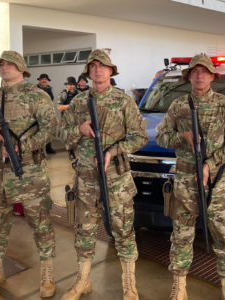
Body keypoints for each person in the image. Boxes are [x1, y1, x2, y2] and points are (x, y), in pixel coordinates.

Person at [0, 51, 58, 298]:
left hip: (30, 172)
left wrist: (24, 145)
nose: (5, 67)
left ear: (21, 68)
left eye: (10, 64)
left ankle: (47, 274)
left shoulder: (36, 95)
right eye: (2, 64)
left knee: (41, 225)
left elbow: (52, 129)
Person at [59, 49, 147, 300]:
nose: (98, 69)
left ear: (110, 71)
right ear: (89, 71)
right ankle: (83, 280)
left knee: (124, 232)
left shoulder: (123, 101)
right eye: (93, 66)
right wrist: (79, 128)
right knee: (84, 232)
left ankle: (129, 283)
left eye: (103, 66)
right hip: (85, 180)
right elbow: (62, 137)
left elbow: (140, 137)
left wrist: (114, 150)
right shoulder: (77, 102)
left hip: (116, 181)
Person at [156, 54, 225, 300]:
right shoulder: (179, 105)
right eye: (195, 71)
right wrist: (183, 136)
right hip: (185, 181)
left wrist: (210, 163)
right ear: (189, 76)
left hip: (217, 181)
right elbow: (161, 136)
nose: (200, 75)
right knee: (181, 236)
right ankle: (179, 285)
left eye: (205, 71)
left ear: (213, 75)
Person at [58, 76, 81, 161]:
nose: (72, 86)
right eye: (70, 84)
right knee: (68, 136)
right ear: (67, 85)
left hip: (78, 117)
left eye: (73, 84)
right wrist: (71, 106)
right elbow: (59, 107)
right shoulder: (63, 93)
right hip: (67, 118)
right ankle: (70, 153)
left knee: (79, 134)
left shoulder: (78, 92)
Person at [37, 74, 56, 154]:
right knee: (37, 130)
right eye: (42, 79)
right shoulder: (35, 89)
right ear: (39, 80)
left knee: (48, 130)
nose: (44, 80)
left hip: (47, 112)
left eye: (46, 79)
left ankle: (48, 148)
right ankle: (37, 148)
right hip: (37, 112)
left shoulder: (49, 89)